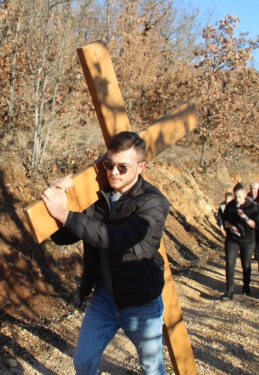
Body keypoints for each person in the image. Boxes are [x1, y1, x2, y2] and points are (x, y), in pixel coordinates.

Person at [40, 131, 169, 375]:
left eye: (123, 167)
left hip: (140, 300)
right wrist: (58, 197)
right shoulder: (97, 196)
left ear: (141, 167)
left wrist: (65, 215)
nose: (114, 172)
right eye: (110, 164)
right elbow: (64, 237)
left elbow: (119, 239)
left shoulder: (154, 203)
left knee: (152, 367)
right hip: (105, 298)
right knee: (84, 363)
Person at [220, 183, 259, 301]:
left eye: (240, 197)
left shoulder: (251, 206)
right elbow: (225, 220)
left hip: (248, 240)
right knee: (230, 263)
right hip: (233, 239)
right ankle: (229, 290)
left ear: (244, 195)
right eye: (235, 196)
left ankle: (246, 287)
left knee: (246, 264)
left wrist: (245, 217)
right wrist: (230, 227)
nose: (237, 199)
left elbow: (255, 225)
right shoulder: (230, 206)